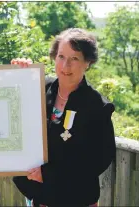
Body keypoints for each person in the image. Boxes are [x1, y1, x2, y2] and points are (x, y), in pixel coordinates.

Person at [11, 28, 116, 207]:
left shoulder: (97, 106)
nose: (65, 66)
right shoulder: (39, 87)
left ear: (87, 62)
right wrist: (19, 73)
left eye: (74, 58)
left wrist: (49, 174)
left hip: (77, 199)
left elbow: (99, 160)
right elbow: (11, 107)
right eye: (61, 57)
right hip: (40, 198)